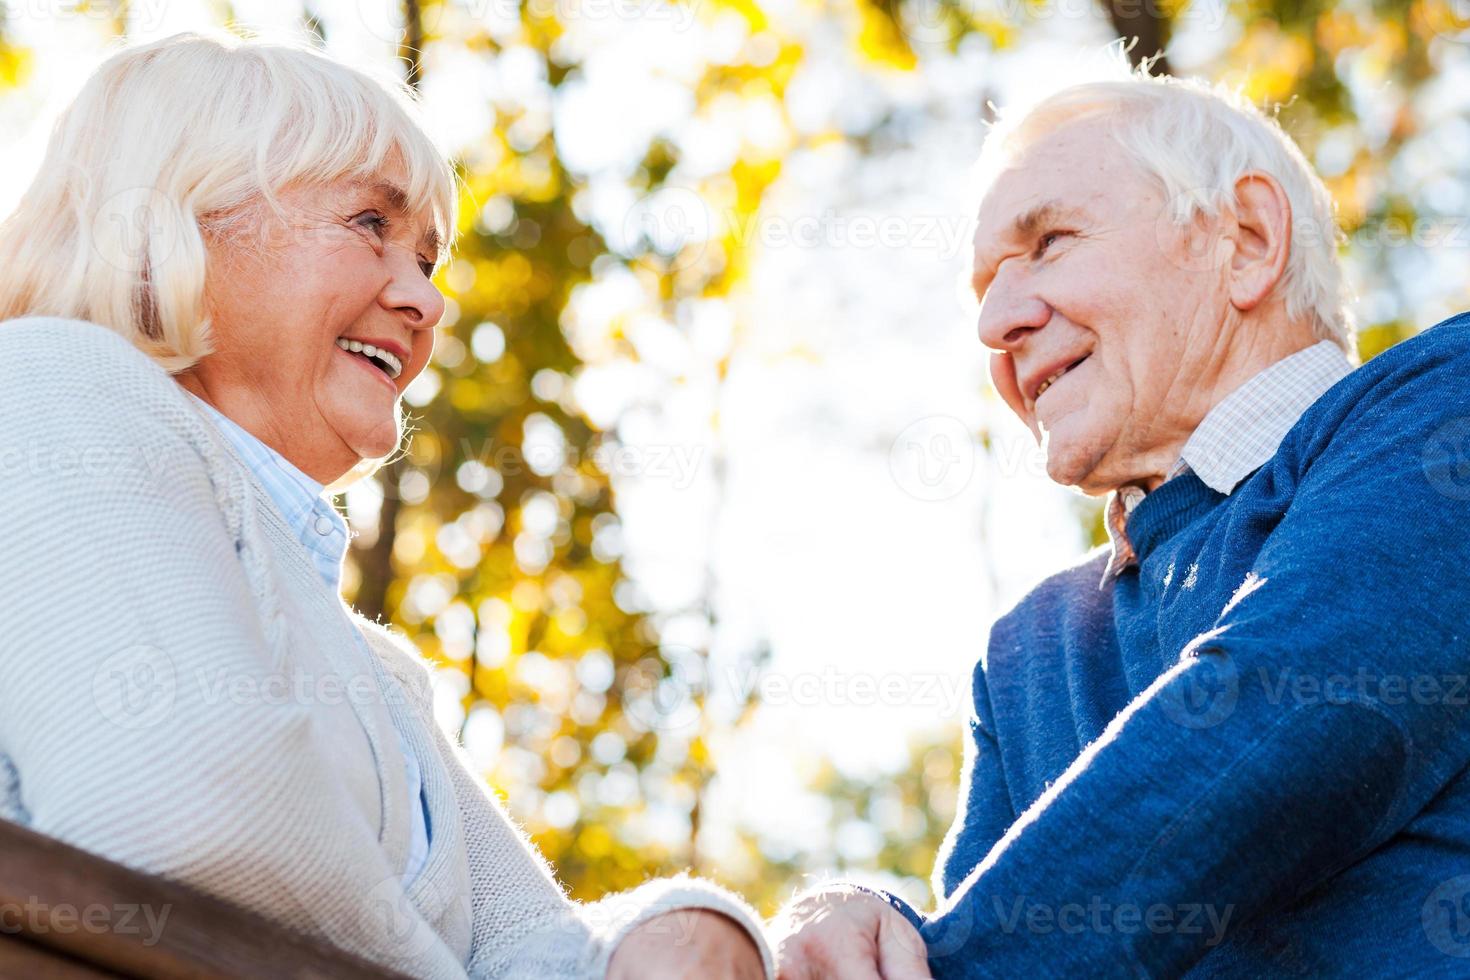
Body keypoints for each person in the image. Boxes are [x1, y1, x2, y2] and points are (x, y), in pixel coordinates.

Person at [0, 32, 769, 980]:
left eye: (430, 262)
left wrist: (680, 934)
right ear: (173, 220)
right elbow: (185, 814)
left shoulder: (378, 671)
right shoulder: (46, 386)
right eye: (370, 224)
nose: (425, 303)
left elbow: (534, 944)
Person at [773, 66, 1470, 977]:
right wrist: (866, 923)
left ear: (1248, 240)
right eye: (982, 287)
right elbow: (979, 923)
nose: (993, 322)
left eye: (1049, 241)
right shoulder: (1029, 651)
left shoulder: (1439, 408)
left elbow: (1279, 718)